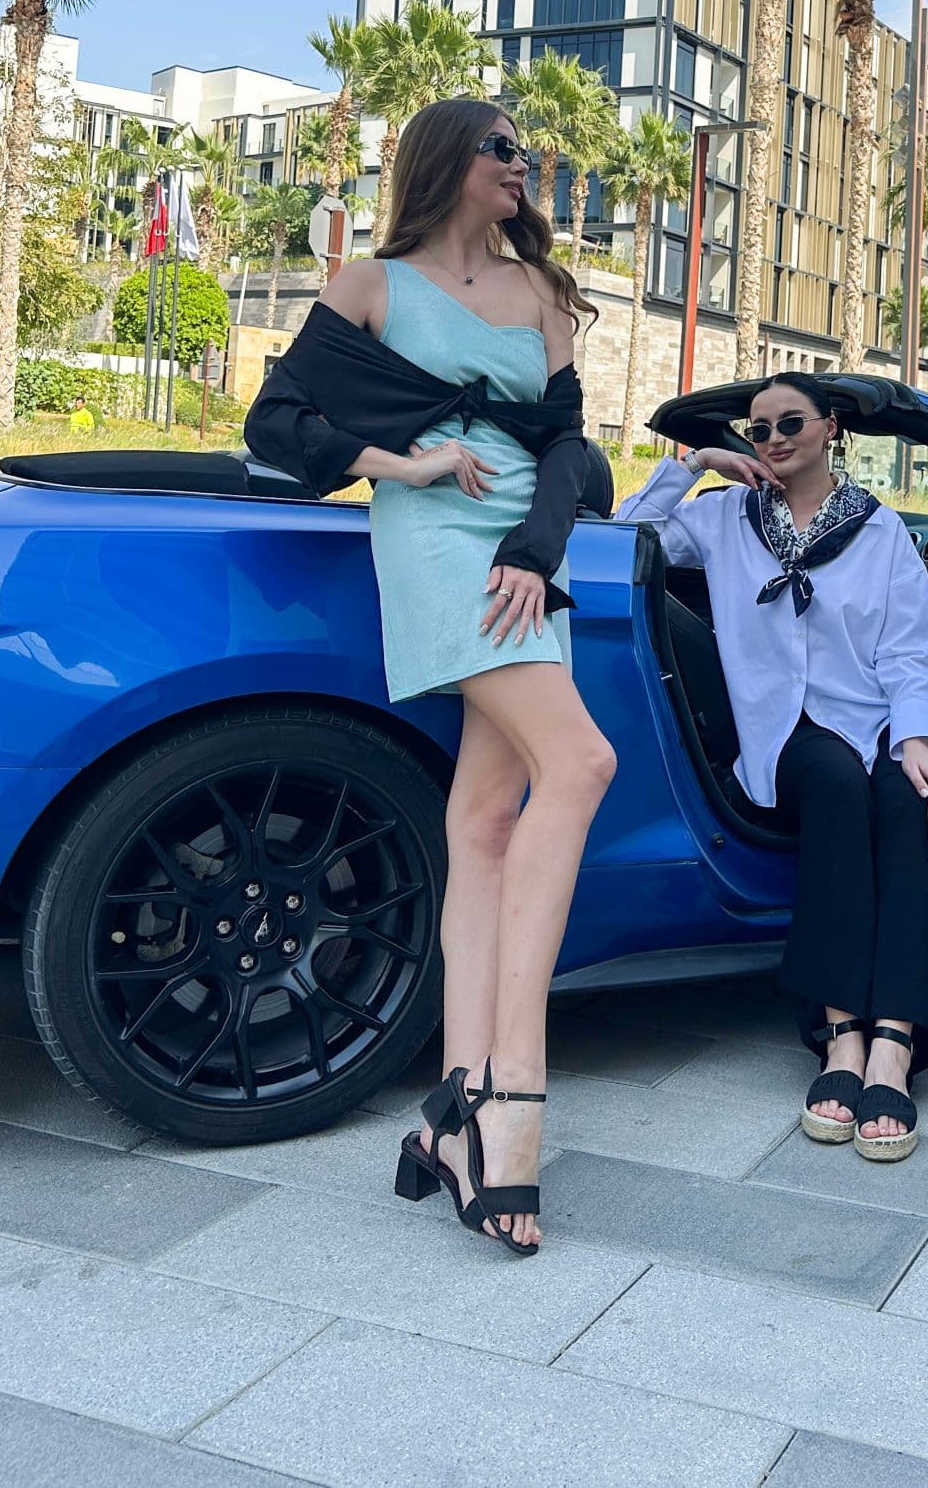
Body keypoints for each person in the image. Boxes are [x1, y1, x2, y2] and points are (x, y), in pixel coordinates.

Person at [245, 95, 615, 1257]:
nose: (524, 166)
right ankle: (514, 1090)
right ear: (452, 159)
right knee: (581, 757)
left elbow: (571, 447)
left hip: (522, 546)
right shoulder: (369, 282)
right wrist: (405, 461)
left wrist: (537, 547)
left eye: (525, 152)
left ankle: (452, 1108)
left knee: (489, 813)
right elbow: (277, 421)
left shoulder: (543, 294)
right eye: (505, 148)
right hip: (434, 535)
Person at [617, 372, 928, 1162]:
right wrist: (696, 463)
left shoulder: (881, 532)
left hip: (893, 714)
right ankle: (840, 1035)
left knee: (908, 799)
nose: (771, 439)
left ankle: (895, 1044)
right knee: (834, 785)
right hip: (787, 727)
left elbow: (909, 654)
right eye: (757, 428)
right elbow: (617, 534)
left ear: (830, 427)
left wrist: (913, 739)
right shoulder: (724, 518)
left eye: (790, 422)